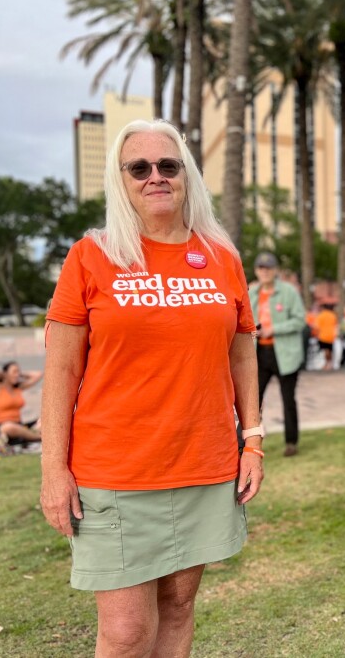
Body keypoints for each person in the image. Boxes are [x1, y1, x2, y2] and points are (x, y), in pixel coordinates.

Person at [40, 119, 264, 657]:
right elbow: (61, 371)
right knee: (126, 632)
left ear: (186, 175)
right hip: (115, 471)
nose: (155, 177)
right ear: (121, 179)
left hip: (203, 464)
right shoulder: (90, 256)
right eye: (139, 167)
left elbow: (242, 351)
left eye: (168, 165)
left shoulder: (220, 258)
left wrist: (252, 440)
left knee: (180, 608)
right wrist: (53, 470)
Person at [249, 252, 306, 457]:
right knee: (253, 402)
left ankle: (291, 441)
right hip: (259, 353)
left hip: (285, 353)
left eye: (269, 268)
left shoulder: (288, 292)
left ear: (276, 271)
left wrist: (274, 328)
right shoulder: (251, 293)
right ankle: (251, 444)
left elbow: (300, 320)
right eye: (261, 268)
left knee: (288, 399)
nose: (265, 271)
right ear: (256, 271)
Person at [0, 361, 43, 448]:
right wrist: (3, 375)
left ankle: (29, 435)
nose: (17, 374)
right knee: (8, 427)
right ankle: (38, 438)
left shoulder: (18, 388)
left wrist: (20, 374)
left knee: (44, 419)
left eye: (18, 371)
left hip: (19, 425)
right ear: (5, 374)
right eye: (14, 372)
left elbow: (39, 374)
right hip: (1, 426)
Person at [314, 303, 338, 370]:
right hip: (331, 335)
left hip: (323, 335)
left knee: (325, 350)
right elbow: (336, 325)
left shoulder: (321, 315)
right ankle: (330, 364)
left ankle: (326, 364)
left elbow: (316, 326)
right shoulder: (333, 315)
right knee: (330, 350)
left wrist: (316, 334)